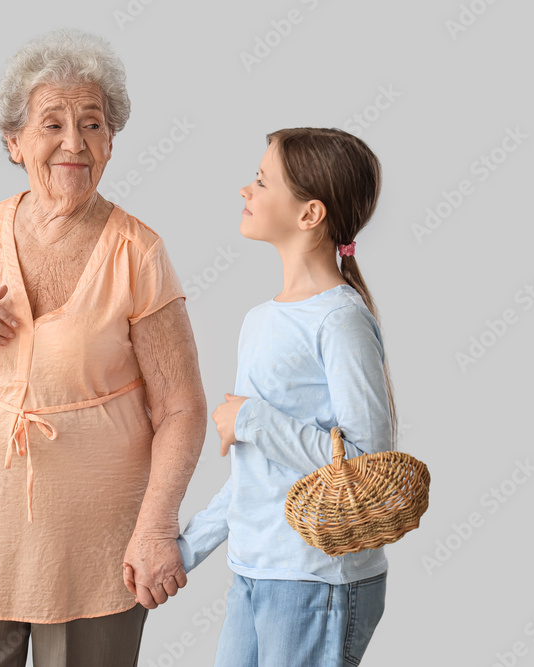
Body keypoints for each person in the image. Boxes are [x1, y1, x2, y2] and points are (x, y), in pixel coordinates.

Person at [0, 29, 206, 667]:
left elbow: (182, 408)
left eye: (93, 124)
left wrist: (157, 526)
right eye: (52, 123)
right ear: (14, 142)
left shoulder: (139, 253)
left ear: (111, 142)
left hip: (98, 548)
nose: (73, 143)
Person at [177, 128, 396, 666]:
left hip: (317, 580)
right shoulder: (262, 319)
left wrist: (251, 419)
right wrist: (184, 552)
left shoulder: (340, 320)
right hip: (258, 571)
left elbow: (368, 466)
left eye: (261, 180)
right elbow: (259, 476)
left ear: (310, 214)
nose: (245, 191)